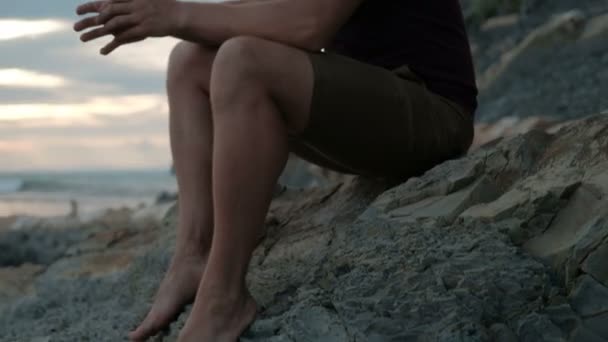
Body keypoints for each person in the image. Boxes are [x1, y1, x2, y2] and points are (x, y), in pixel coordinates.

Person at [73, 0, 477, 340]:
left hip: (431, 113)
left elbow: (307, 24)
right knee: (189, 61)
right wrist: (150, 11)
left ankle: (224, 297)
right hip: (367, 119)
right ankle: (193, 255)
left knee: (243, 61)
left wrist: (176, 14)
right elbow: (255, 11)